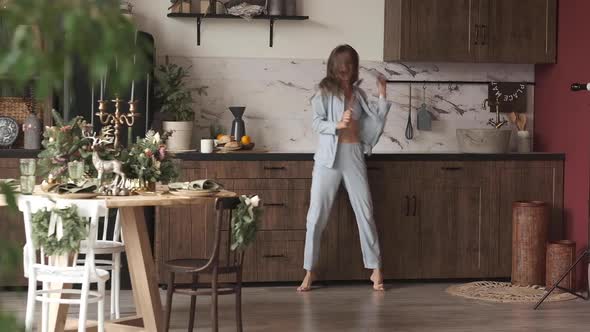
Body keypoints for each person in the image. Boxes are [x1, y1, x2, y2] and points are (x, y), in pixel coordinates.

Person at [298, 44, 391, 292]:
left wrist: (382, 93)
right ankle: (309, 271)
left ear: (354, 67)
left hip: (354, 155)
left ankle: (375, 269)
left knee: (366, 212)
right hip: (328, 159)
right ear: (333, 65)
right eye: (340, 63)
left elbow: (376, 123)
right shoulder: (324, 91)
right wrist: (337, 124)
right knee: (316, 217)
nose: (345, 68)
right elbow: (316, 122)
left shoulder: (359, 95)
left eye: (349, 63)